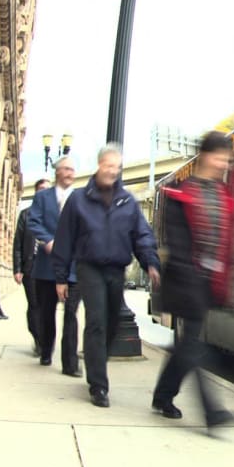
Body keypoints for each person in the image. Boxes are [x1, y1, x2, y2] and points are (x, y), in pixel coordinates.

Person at [52, 143, 161, 408]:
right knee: (97, 321)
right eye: (109, 165)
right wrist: (60, 277)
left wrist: (150, 263)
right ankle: (98, 386)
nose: (113, 171)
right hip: (89, 267)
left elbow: (142, 236)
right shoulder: (78, 199)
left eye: (117, 167)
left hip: (116, 269)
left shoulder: (127, 201)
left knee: (112, 323)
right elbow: (64, 239)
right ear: (99, 165)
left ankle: (96, 358)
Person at [151, 131, 234, 429]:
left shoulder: (221, 194)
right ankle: (212, 412)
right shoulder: (180, 192)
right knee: (194, 346)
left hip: (208, 280)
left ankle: (163, 395)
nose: (224, 165)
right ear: (205, 156)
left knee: (187, 344)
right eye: (220, 158)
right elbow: (177, 243)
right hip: (186, 278)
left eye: (227, 160)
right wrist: (192, 276)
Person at [28, 158, 82, 374]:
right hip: (46, 268)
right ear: (58, 172)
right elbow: (33, 222)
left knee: (71, 314)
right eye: (66, 169)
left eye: (72, 169)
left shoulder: (81, 198)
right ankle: (46, 350)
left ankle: (70, 363)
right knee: (47, 313)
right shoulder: (42, 197)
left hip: (73, 269)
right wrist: (48, 240)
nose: (70, 173)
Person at [13, 178, 51, 352]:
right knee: (34, 304)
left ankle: (44, 338)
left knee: (46, 305)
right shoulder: (26, 214)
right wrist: (17, 269)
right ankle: (38, 339)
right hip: (30, 266)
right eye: (41, 189)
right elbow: (18, 243)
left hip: (49, 268)